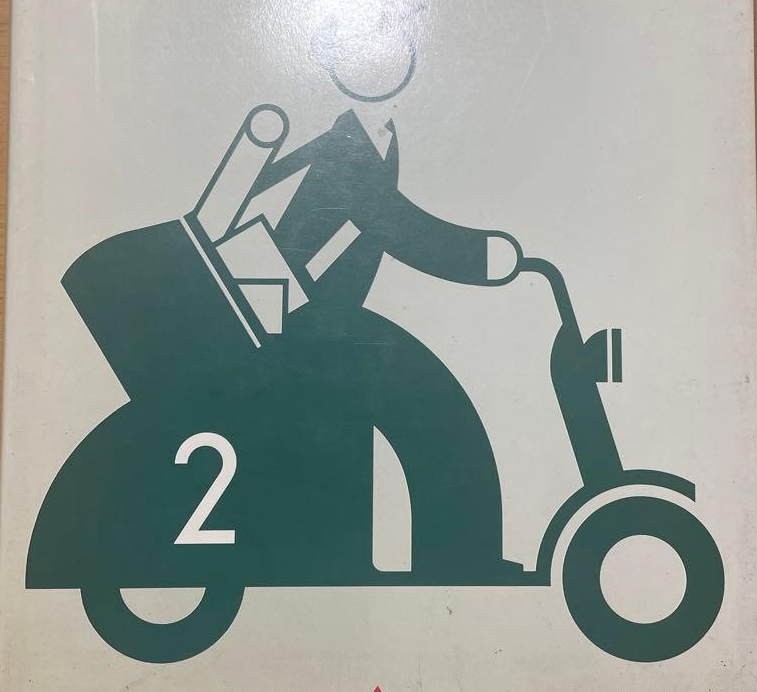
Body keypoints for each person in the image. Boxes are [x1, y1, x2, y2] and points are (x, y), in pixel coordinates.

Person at [191, 37, 523, 580]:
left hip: (303, 310)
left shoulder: (364, 142)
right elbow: (398, 226)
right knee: (426, 401)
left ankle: (450, 553)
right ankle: (459, 554)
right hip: (291, 315)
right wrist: (487, 259)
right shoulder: (349, 149)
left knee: (395, 398)